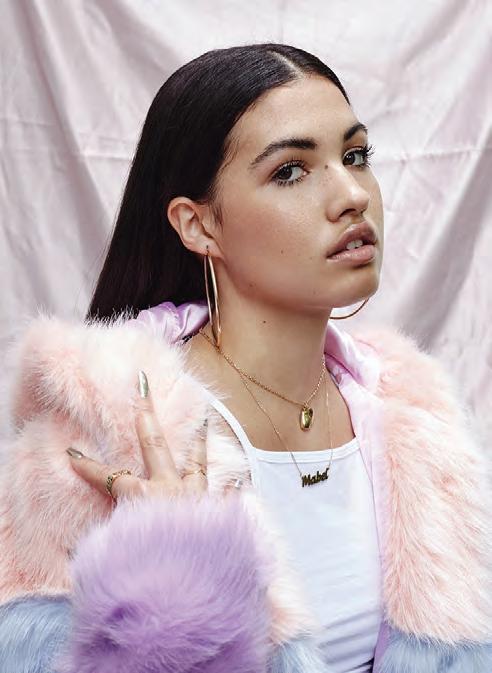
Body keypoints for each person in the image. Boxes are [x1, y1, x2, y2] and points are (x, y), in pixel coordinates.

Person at [0, 42, 490, 673]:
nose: (352, 195)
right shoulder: (105, 435)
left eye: (355, 156)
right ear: (198, 225)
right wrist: (173, 582)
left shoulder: (414, 426)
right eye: (290, 171)